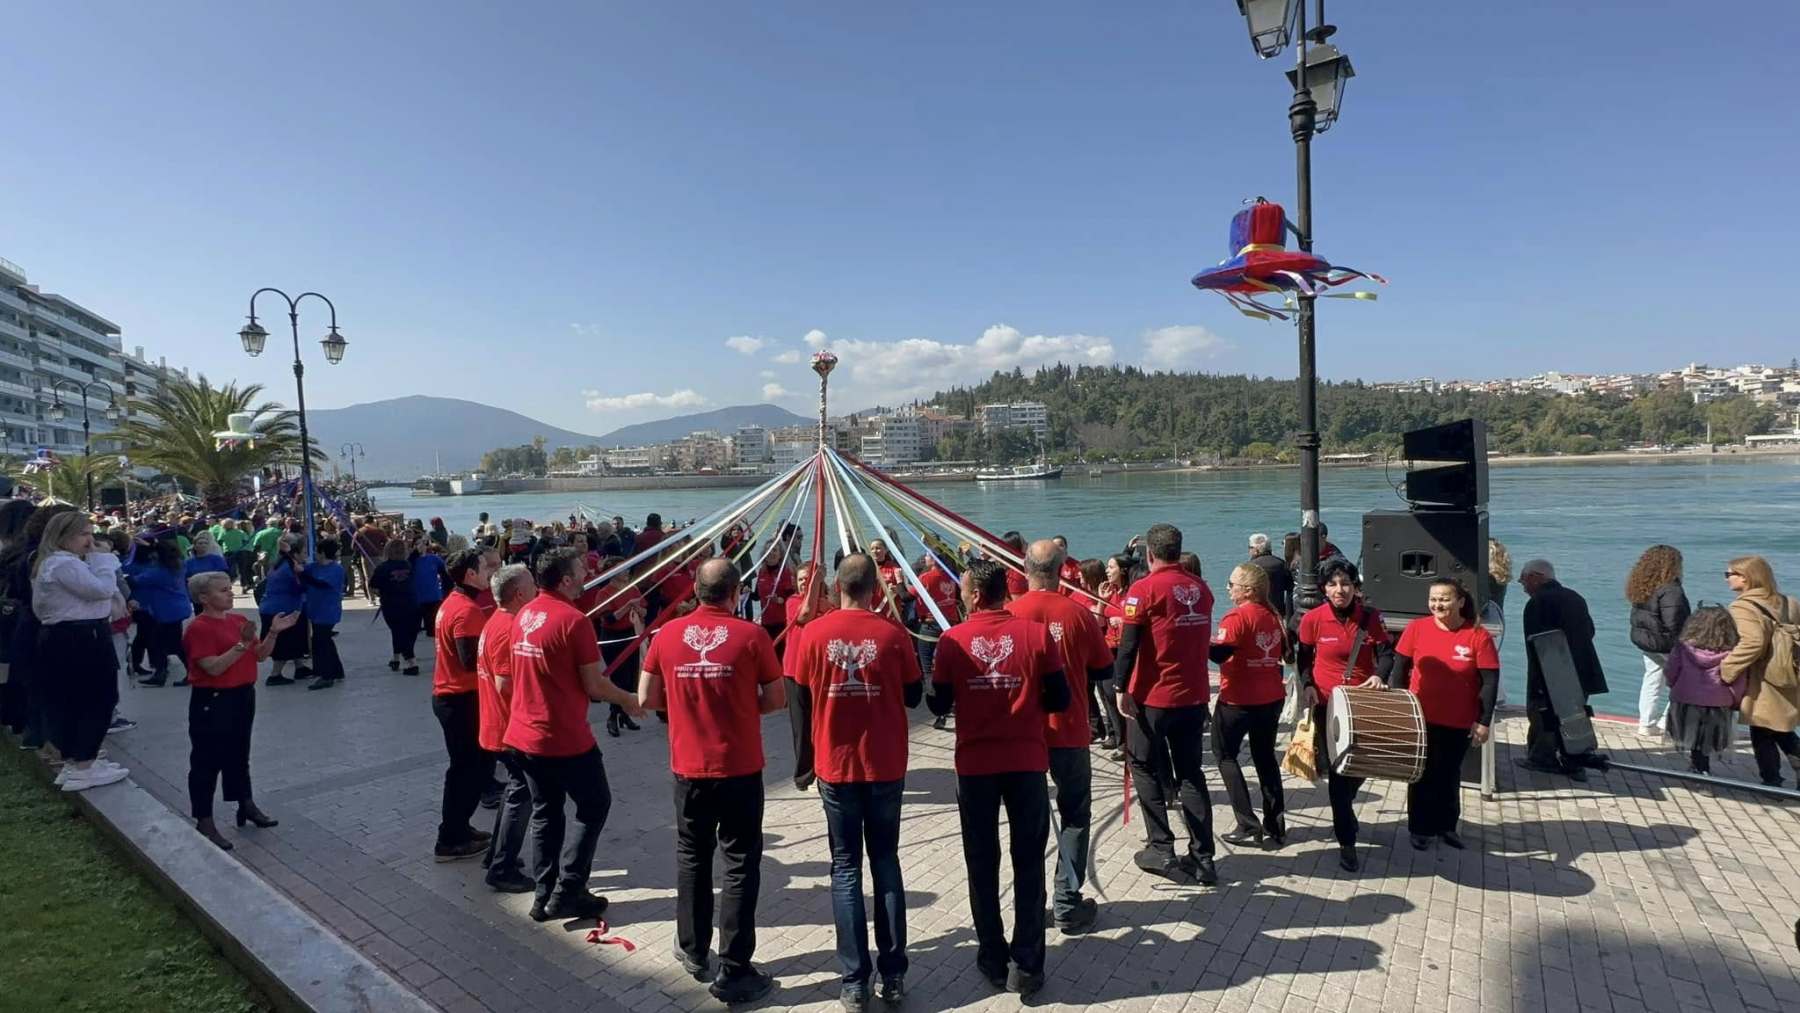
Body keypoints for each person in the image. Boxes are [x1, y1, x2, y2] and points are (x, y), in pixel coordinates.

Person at [639, 558, 782, 1005]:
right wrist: (738, 704)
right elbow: (776, 698)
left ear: (695, 591)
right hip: (739, 767)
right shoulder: (753, 636)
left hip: (688, 768)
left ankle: (694, 948)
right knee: (739, 864)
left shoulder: (666, 635)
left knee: (693, 856)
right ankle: (735, 968)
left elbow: (646, 697)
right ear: (736, 593)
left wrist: (684, 704)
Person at [786, 554, 921, 1009]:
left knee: (845, 868)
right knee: (885, 861)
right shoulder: (893, 634)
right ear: (874, 589)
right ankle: (893, 973)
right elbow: (914, 694)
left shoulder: (813, 634)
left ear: (837, 587)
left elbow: (801, 696)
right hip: (885, 765)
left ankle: (853, 980)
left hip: (836, 766)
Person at [928, 559, 1068, 998]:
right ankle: (1027, 964)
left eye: (962, 589)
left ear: (974, 595)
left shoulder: (952, 640)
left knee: (982, 861)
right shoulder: (1036, 634)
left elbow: (937, 705)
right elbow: (1060, 697)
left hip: (976, 766)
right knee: (1029, 862)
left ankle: (992, 955)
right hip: (1026, 761)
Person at [504, 548, 645, 922]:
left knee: (546, 812)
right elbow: (595, 685)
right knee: (594, 805)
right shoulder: (573, 621)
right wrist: (629, 699)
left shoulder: (524, 614)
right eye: (582, 569)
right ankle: (568, 889)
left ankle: (544, 895)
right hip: (561, 736)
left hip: (523, 734)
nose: (587, 574)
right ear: (566, 579)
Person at [1006, 540, 1113, 936]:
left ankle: (1031, 908)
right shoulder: (1078, 613)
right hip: (1068, 730)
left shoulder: (1009, 613)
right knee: (1074, 816)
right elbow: (1103, 668)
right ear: (1062, 569)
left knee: (1027, 823)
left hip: (1023, 735)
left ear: (1025, 568)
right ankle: (1067, 901)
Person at [1113, 523, 1219, 886]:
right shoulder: (1201, 589)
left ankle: (1161, 846)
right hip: (1193, 696)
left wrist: (1119, 686)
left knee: (1142, 764)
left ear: (1149, 554)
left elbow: (1128, 645)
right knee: (1191, 773)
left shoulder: (1143, 590)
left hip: (1153, 697)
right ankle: (1203, 857)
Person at [183, 571, 295, 848]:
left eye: (229, 588)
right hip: (213, 699)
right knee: (207, 760)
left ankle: (245, 803)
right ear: (204, 598)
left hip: (243, 695)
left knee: (239, 753)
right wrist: (241, 644)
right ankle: (204, 819)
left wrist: (273, 633)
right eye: (222, 590)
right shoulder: (199, 628)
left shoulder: (238, 621)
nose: (230, 593)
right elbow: (212, 667)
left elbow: (260, 655)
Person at [1387, 577, 1498, 850]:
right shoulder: (1416, 628)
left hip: (1458, 719)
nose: (1437, 604)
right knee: (1422, 774)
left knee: (1449, 773)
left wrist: (1483, 722)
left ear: (1460, 602)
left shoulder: (1478, 635)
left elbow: (1490, 682)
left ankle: (1447, 826)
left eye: (1444, 599)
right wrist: (1399, 709)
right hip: (1421, 717)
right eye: (1433, 599)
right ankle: (1420, 828)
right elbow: (1399, 670)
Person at [1296, 558, 1392, 872]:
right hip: (1327, 704)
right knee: (1338, 774)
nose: (1340, 590)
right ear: (1324, 589)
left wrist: (1379, 675)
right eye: (1333, 584)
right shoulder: (1313, 619)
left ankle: (1345, 810)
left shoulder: (1371, 618)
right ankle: (1347, 843)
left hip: (1361, 702)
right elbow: (1303, 658)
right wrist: (1307, 685)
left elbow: (1387, 654)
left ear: (1355, 587)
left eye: (1346, 584)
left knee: (1361, 766)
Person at [34, 512, 130, 792]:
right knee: (97, 698)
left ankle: (77, 760)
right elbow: (102, 590)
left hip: (69, 635)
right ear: (63, 536)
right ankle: (84, 764)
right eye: (83, 534)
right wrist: (104, 561)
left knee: (73, 699)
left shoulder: (54, 563)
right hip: (82, 636)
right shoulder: (64, 563)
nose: (90, 540)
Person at [1210, 562, 1288, 850]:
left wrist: (1199, 640)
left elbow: (1219, 655)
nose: (1228, 589)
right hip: (1271, 696)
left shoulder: (1236, 617)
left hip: (1239, 699)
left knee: (1225, 755)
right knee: (1265, 758)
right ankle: (1276, 825)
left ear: (1248, 590)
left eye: (1232, 585)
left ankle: (1246, 823)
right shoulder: (1273, 616)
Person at [433, 548, 500, 862]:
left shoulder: (454, 601)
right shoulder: (467, 610)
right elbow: (468, 659)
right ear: (471, 574)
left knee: (472, 768)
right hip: (460, 698)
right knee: (468, 770)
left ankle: (459, 826)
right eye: (485, 568)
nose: (490, 573)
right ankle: (450, 837)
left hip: (454, 697)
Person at [1520, 559, 1607, 780]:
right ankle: (1574, 761)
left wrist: (1537, 679)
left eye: (1524, 580)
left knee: (1544, 715)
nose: (1523, 586)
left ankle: (1542, 758)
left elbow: (1536, 642)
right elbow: (1589, 631)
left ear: (1536, 577)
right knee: (1575, 714)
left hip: (1552, 670)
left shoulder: (1537, 603)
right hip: (1582, 667)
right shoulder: (1574, 597)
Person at [478, 563, 537, 892]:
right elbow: (506, 683)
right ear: (519, 594)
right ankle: (502, 868)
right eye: (532, 585)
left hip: (499, 723)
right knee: (521, 794)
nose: (537, 589)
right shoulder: (509, 627)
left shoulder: (497, 621)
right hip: (509, 726)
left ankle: (496, 855)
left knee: (514, 790)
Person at [1719, 556, 1800, 786]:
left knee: (1763, 729)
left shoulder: (1743, 607)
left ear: (1745, 577)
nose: (1726, 579)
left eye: (1729, 574)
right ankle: (1773, 780)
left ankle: (1772, 782)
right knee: (1779, 727)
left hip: (1764, 676)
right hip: (1789, 672)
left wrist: (1727, 669)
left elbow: (1752, 643)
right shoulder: (1789, 602)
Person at [1664, 606, 1742, 775]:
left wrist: (1673, 686)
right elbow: (1737, 681)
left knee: (1693, 735)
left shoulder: (1683, 647)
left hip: (1686, 697)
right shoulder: (1732, 652)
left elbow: (1671, 670)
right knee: (1708, 737)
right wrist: (1735, 700)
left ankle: (1698, 766)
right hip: (1718, 701)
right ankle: (1702, 767)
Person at [1626, 545, 1691, 737]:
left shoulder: (1642, 586)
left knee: (1652, 679)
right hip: (1667, 643)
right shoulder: (1671, 589)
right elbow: (1675, 621)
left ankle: (1646, 723)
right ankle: (1666, 722)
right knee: (1685, 681)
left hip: (1647, 641)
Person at [594, 559, 647, 738]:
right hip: (613, 638)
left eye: (626, 569)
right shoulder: (604, 593)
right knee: (618, 679)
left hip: (630, 635)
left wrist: (638, 610)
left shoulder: (633, 588)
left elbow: (644, 611)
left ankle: (624, 714)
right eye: (621, 569)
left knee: (631, 677)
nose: (626, 572)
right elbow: (608, 619)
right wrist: (627, 606)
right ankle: (612, 716)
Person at [129, 539, 193, 687]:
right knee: (163, 643)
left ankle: (184, 672)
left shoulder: (157, 573)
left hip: (165, 611)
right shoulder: (179, 565)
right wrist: (152, 545)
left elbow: (134, 581)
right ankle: (161, 672)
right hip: (177, 608)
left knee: (171, 644)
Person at [258, 536, 312, 686]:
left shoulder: (278, 563)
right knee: (284, 643)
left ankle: (300, 667)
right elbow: (300, 587)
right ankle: (275, 675)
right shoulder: (290, 568)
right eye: (304, 552)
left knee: (294, 640)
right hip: (283, 610)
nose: (306, 555)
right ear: (295, 553)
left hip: (273, 607)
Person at [302, 539, 347, 690]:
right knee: (325, 640)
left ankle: (326, 675)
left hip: (328, 611)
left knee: (320, 642)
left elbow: (320, 584)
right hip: (315, 610)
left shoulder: (336, 569)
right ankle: (336, 670)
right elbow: (301, 571)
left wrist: (303, 575)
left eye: (317, 551)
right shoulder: (313, 567)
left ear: (322, 552)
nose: (315, 553)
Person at [372, 539, 420, 674]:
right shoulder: (409, 565)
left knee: (398, 631)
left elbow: (374, 586)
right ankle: (395, 658)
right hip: (411, 603)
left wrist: (383, 590)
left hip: (391, 605)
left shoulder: (382, 568)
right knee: (405, 632)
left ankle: (412, 663)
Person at [1247, 533, 1294, 620]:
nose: (1249, 551)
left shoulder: (1251, 567)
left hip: (1257, 613)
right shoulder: (1281, 563)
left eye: (1250, 547)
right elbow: (1290, 591)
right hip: (1278, 612)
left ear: (1256, 550)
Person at [412, 540, 448, 637]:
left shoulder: (434, 559)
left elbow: (445, 570)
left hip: (434, 596)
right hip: (419, 598)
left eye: (423, 544)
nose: (421, 546)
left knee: (432, 629)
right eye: (418, 544)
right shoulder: (411, 561)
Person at [217, 518, 255, 591]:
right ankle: (244, 585)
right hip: (240, 552)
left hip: (228, 552)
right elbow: (245, 541)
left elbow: (219, 542)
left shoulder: (223, 533)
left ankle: (229, 583)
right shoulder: (240, 532)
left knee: (229, 569)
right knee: (242, 569)